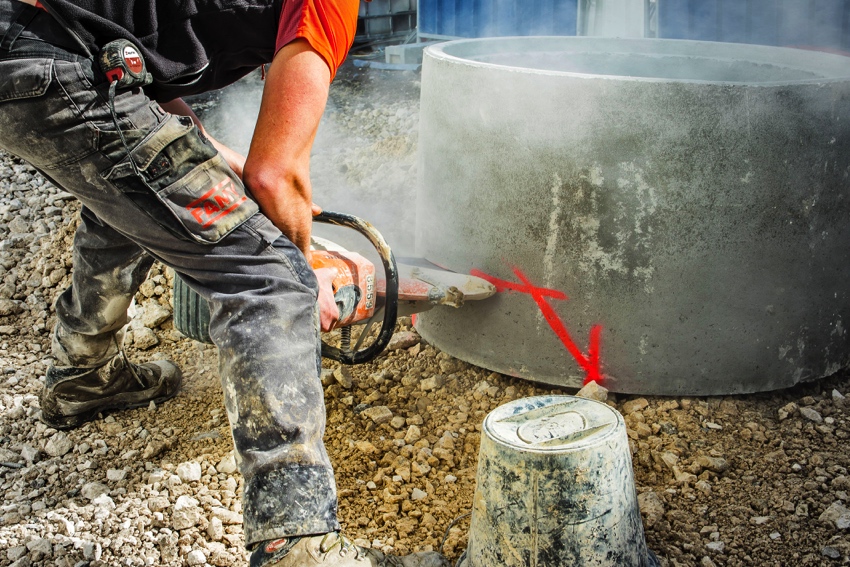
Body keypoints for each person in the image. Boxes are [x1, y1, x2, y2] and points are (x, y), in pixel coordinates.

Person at [0, 1, 449, 566]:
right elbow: (275, 171)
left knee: (130, 199)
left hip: (26, 56)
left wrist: (210, 159)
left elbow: (146, 96)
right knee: (269, 280)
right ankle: (298, 543)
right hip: (63, 66)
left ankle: (83, 376)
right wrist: (303, 263)